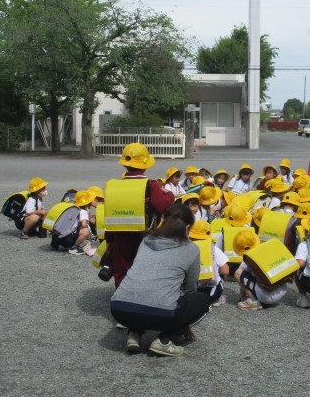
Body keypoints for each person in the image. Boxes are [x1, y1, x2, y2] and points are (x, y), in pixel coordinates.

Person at [110, 203, 211, 357]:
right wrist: (183, 323)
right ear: (187, 228)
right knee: (203, 299)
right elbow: (190, 288)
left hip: (119, 309)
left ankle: (134, 333)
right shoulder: (191, 248)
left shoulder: (146, 241)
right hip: (161, 314)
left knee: (143, 289)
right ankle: (165, 340)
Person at [107, 143, 174, 288]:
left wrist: (109, 241)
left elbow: (109, 213)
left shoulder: (114, 185)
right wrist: (169, 195)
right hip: (144, 234)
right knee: (144, 265)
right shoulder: (151, 185)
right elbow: (162, 206)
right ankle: (141, 295)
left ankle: (121, 295)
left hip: (120, 234)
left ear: (125, 164)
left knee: (122, 267)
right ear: (145, 166)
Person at [233, 230, 289, 310]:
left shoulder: (248, 259)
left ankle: (254, 301)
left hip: (266, 296)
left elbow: (241, 276)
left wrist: (243, 295)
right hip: (282, 289)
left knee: (238, 273)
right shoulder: (268, 248)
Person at [188, 220, 229, 306]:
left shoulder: (185, 249)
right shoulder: (215, 250)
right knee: (221, 272)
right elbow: (225, 271)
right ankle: (218, 298)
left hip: (189, 292)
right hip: (211, 294)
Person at [62, 190, 95, 255]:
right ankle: (74, 248)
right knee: (86, 231)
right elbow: (84, 224)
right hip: (68, 240)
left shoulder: (72, 208)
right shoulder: (83, 211)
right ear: (87, 203)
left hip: (60, 238)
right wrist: (88, 217)